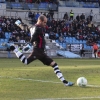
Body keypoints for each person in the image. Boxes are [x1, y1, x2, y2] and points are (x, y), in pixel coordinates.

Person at [3, 15, 74, 86]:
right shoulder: (40, 28)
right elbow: (34, 35)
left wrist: (19, 24)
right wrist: (30, 44)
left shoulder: (32, 27)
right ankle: (13, 48)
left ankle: (65, 82)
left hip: (41, 52)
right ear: (40, 21)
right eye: (44, 22)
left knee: (54, 65)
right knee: (26, 61)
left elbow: (25, 27)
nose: (45, 24)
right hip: (38, 51)